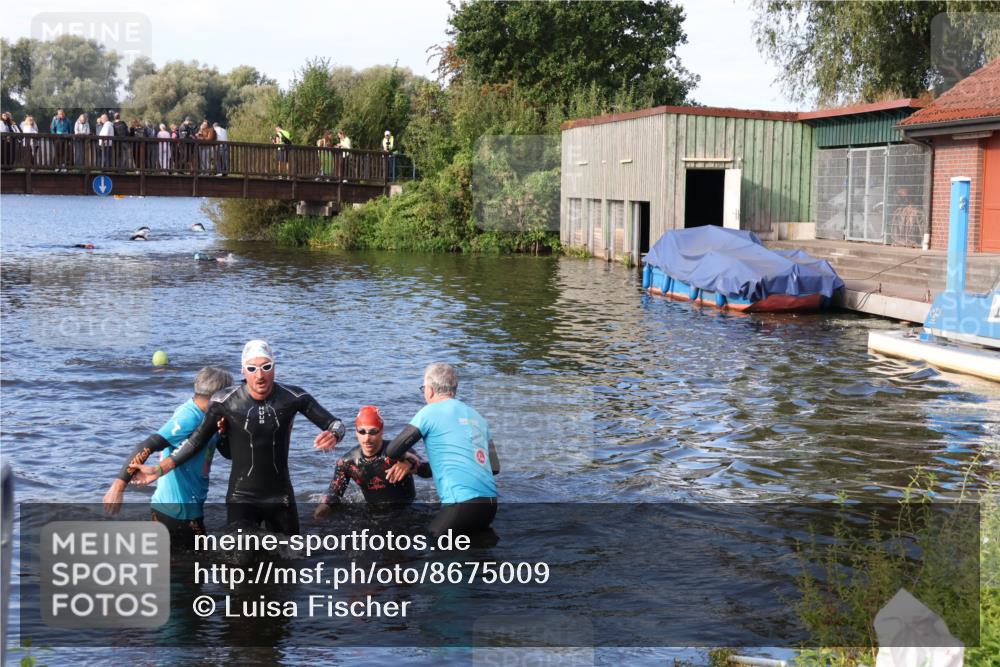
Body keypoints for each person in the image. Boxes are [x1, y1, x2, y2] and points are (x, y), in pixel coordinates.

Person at [130, 340, 346, 536]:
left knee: (291, 559)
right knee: (238, 560)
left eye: (266, 367)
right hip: (241, 496)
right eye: (252, 368)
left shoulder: (294, 398)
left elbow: (336, 423)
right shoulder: (225, 401)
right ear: (243, 370)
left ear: (274, 367)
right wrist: (158, 470)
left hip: (280, 496)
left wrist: (334, 434)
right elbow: (197, 441)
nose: (259, 375)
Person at [103, 367, 233, 549]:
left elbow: (228, 454)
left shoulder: (214, 417)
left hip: (188, 508)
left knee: (183, 567)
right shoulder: (189, 416)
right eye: (229, 396)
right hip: (177, 510)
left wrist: (225, 433)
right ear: (218, 397)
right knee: (195, 568)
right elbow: (147, 445)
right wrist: (118, 486)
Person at [385, 363, 500, 538]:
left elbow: (393, 450)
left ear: (429, 390)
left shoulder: (429, 412)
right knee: (475, 555)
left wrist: (406, 458)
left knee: (434, 544)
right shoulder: (478, 417)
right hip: (490, 504)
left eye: (423, 388)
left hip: (462, 503)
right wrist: (420, 468)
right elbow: (494, 467)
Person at [314, 406, 431, 518]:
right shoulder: (347, 462)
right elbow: (334, 494)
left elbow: (429, 471)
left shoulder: (398, 451)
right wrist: (320, 513)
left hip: (407, 510)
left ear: (382, 431)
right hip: (373, 513)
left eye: (373, 432)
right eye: (362, 432)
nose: (367, 438)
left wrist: (411, 464)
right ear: (356, 432)